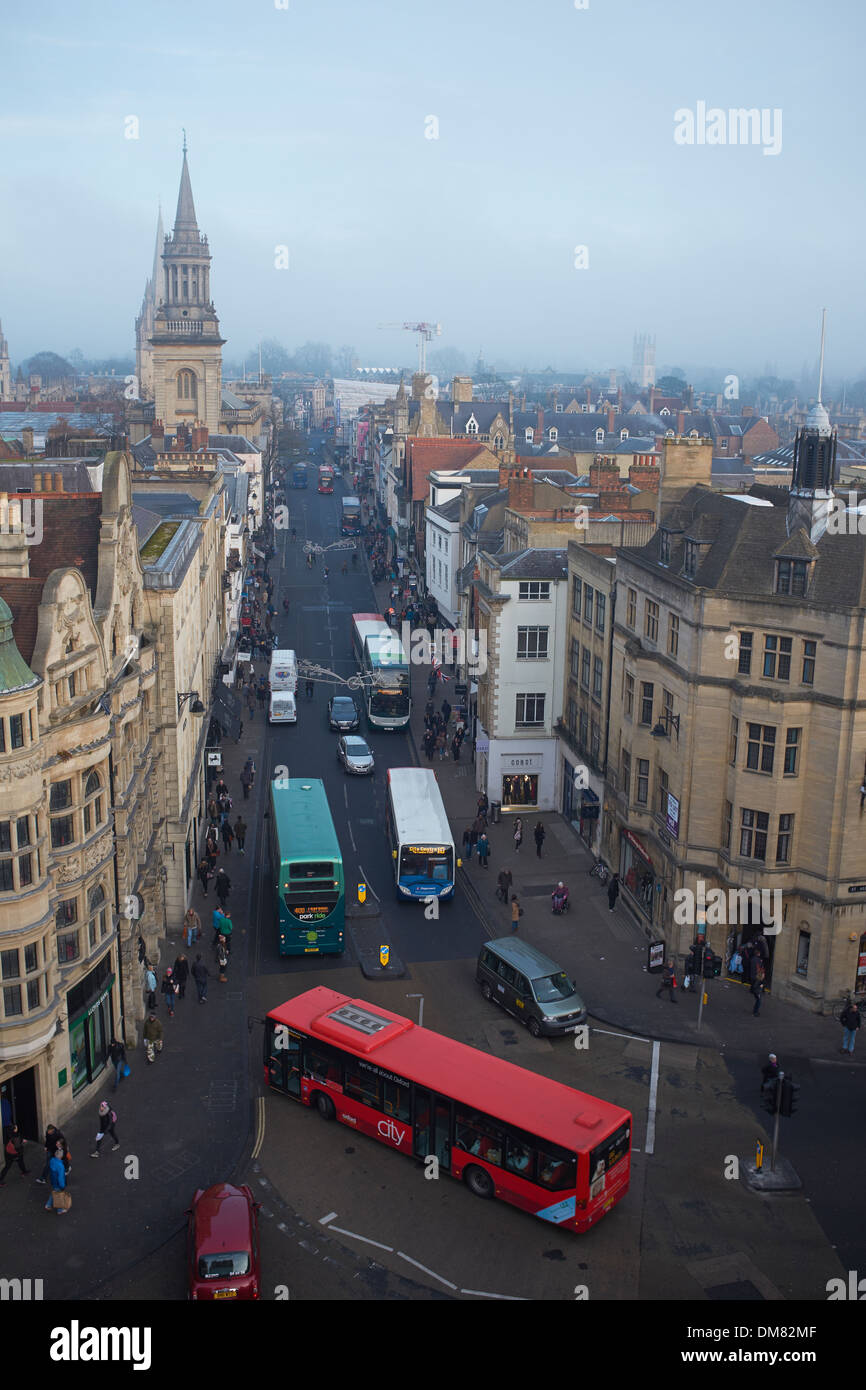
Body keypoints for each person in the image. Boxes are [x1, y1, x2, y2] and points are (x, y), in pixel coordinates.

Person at [44, 1145, 69, 1215]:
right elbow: (60, 1178)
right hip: (58, 1183)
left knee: (55, 1192)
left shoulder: (52, 1160)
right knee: (59, 1196)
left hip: (53, 1181)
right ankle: (60, 1210)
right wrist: (62, 1186)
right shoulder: (60, 1166)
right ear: (61, 1156)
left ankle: (48, 1205)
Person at [749, 952, 765, 1016]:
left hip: (753, 981)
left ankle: (755, 1010)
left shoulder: (752, 959)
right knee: (759, 1000)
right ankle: (755, 1012)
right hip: (757, 988)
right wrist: (761, 986)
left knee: (758, 999)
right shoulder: (759, 978)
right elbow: (758, 984)